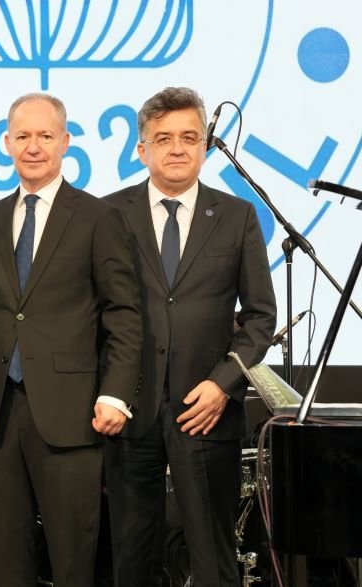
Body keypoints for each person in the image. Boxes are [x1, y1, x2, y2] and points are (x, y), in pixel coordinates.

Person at [0, 93, 144, 585]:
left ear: (65, 141)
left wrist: (116, 393)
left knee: (73, 558)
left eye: (45, 136)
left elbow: (123, 313)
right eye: (23, 136)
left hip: (72, 412)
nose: (33, 146)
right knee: (7, 558)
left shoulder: (99, 217)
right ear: (6, 143)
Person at [103, 87, 277, 586]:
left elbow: (261, 317)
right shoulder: (107, 214)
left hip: (207, 412)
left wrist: (223, 384)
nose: (177, 148)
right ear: (142, 149)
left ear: (204, 146)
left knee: (213, 559)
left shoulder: (237, 216)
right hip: (129, 410)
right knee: (131, 559)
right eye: (164, 138)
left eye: (189, 137)